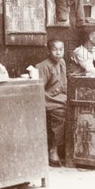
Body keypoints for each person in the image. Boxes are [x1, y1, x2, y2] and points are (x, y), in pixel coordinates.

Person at [36, 39, 67, 167]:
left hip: (62, 98)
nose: (58, 53)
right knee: (59, 113)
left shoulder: (62, 63)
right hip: (49, 100)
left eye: (61, 49)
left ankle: (66, 149)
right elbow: (38, 89)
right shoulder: (43, 66)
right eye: (55, 49)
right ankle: (53, 149)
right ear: (48, 51)